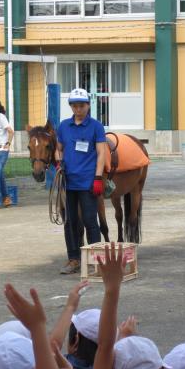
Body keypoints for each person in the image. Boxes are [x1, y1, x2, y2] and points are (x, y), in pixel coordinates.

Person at [56, 88, 107, 275]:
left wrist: (98, 177)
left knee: (89, 220)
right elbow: (58, 148)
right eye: (75, 105)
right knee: (70, 222)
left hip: (87, 182)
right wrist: (58, 162)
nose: (78, 109)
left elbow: (101, 152)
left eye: (82, 105)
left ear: (88, 105)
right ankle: (73, 259)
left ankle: (95, 260)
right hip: (68, 182)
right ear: (71, 106)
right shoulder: (63, 126)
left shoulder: (96, 126)